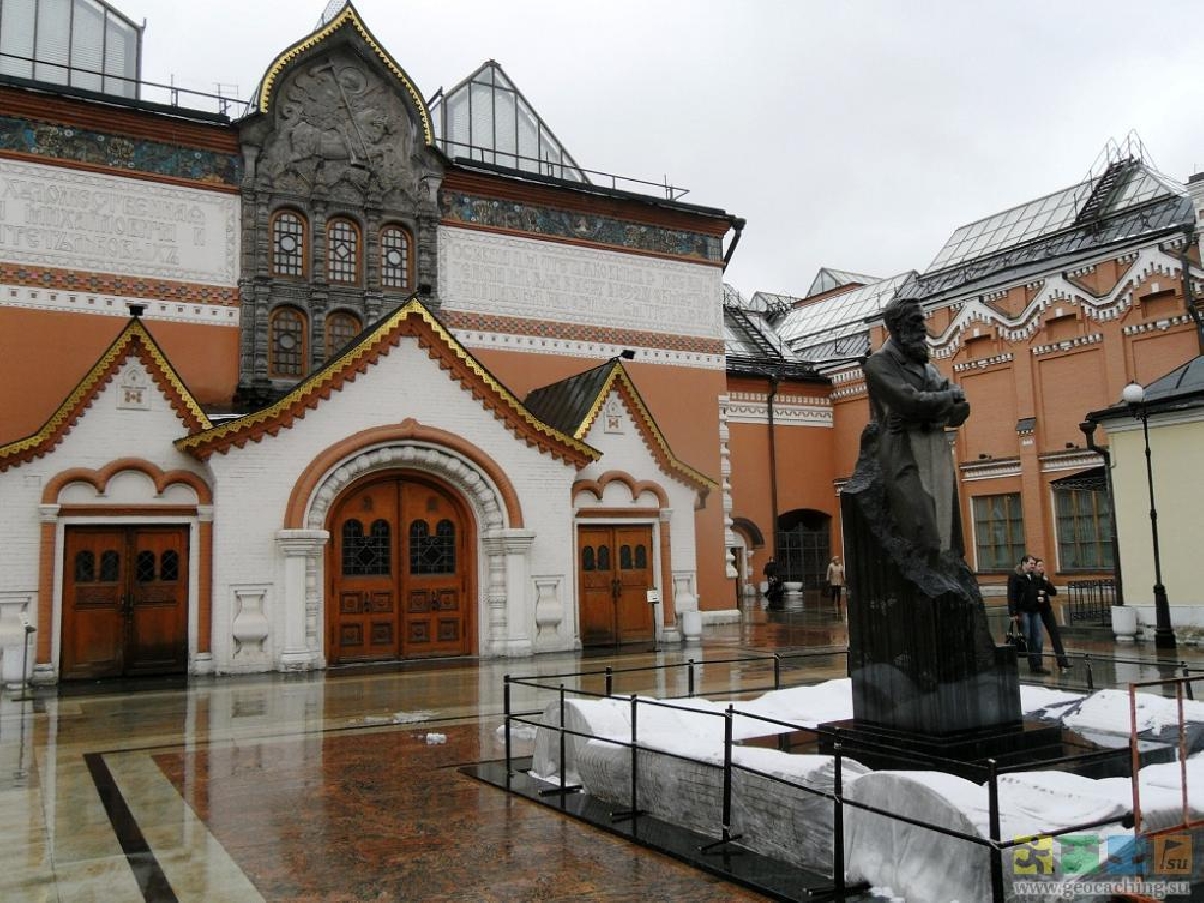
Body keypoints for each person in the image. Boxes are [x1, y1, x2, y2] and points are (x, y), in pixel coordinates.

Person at [863, 296, 971, 557]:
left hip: (937, 449)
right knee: (922, 528)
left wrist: (934, 406)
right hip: (904, 450)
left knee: (946, 529)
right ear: (897, 326)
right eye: (916, 321)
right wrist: (947, 400)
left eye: (923, 320)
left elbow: (962, 410)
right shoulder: (879, 363)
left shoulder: (928, 368)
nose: (924, 327)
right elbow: (907, 401)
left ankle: (946, 575)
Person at [1007, 554, 1048, 674]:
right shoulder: (1015, 577)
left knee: (1039, 638)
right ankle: (1033, 664)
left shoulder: (1035, 577)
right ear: (1023, 564)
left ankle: (1038, 664)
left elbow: (1043, 591)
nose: (1033, 566)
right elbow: (1011, 595)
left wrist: (1042, 597)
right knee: (1028, 638)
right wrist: (1013, 612)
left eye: (1034, 564)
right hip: (1023, 612)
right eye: (1031, 564)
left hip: (1035, 611)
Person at [1034, 558, 1069, 671]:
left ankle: (1062, 662)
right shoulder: (1031, 579)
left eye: (1042, 566)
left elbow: (1053, 593)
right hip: (1036, 611)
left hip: (1047, 610)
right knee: (1037, 638)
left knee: (1055, 635)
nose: (1041, 568)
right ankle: (1037, 664)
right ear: (1034, 567)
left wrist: (1047, 582)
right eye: (1039, 566)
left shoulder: (1045, 578)